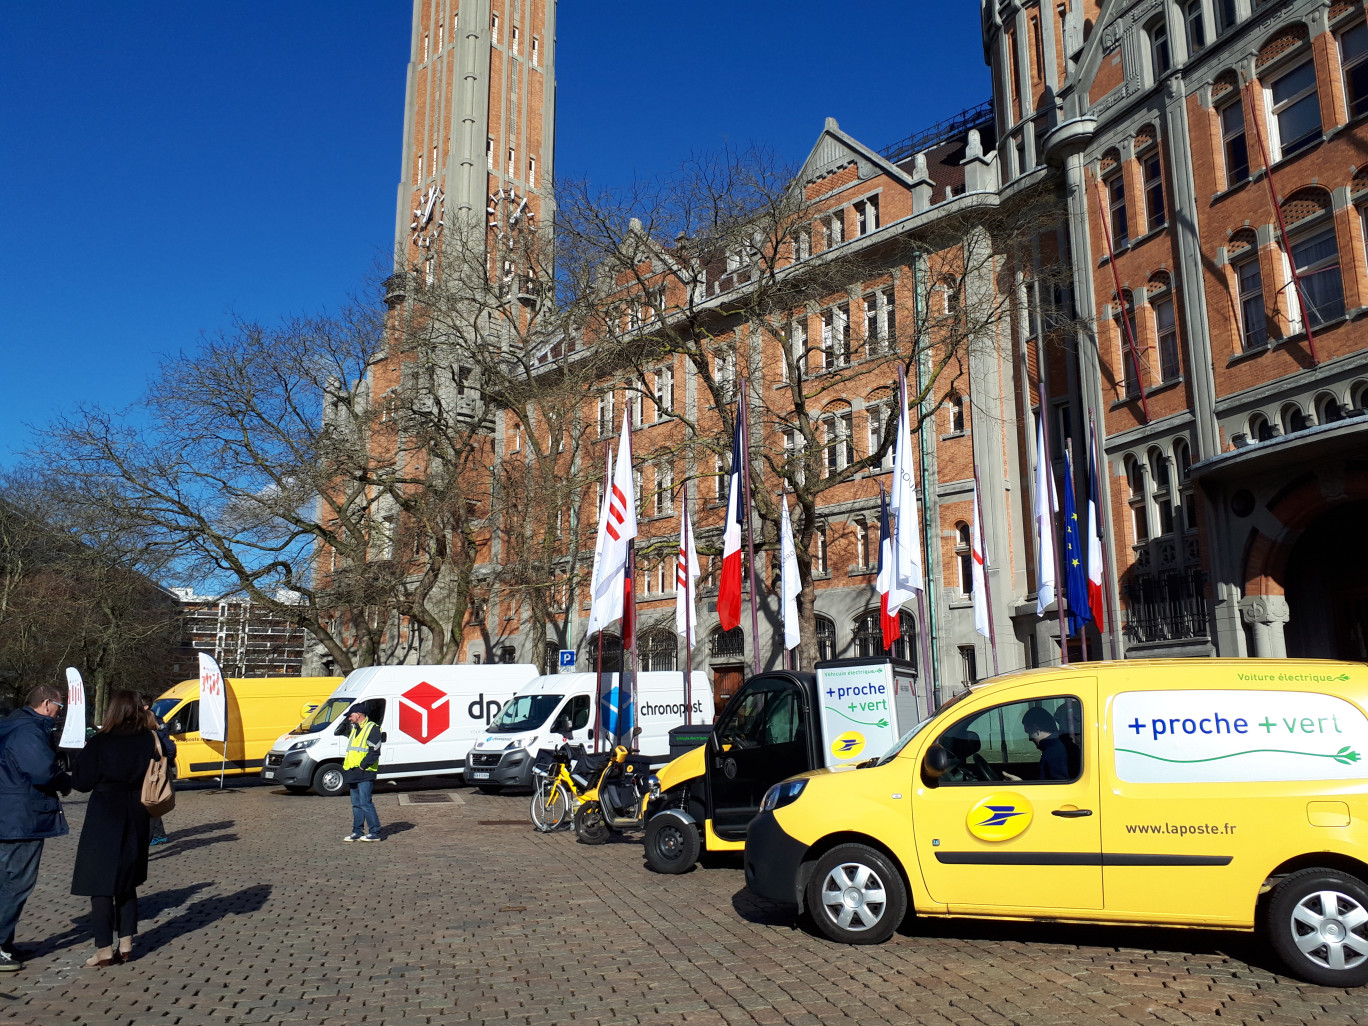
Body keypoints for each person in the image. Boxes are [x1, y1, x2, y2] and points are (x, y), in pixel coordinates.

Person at [71, 689, 157, 967]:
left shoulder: (101, 742)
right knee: (127, 881)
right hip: (137, 811)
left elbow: (82, 782)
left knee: (100, 883)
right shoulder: (147, 740)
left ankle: (104, 948)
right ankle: (128, 943)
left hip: (105, 813)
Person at [0, 684, 70, 973]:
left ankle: (5, 942)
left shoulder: (10, 726)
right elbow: (42, 771)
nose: (58, 713)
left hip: (10, 814)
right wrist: (64, 781)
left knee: (7, 880)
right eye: (59, 707)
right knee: (17, 882)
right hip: (21, 818)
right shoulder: (28, 731)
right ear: (45, 704)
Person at [342, 704, 382, 843]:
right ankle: (357, 831)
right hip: (353, 771)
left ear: (359, 714)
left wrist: (363, 766)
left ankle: (375, 831)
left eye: (350, 715)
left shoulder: (372, 728)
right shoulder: (355, 729)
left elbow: (374, 751)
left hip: (365, 771)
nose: (348, 718)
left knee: (365, 803)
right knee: (356, 804)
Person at [141, 701, 176, 848]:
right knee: (152, 802)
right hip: (152, 774)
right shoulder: (154, 730)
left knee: (151, 802)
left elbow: (169, 750)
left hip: (152, 775)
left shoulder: (153, 732)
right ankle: (158, 834)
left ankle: (155, 836)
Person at [1021, 706, 1072, 781]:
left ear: (1036, 729)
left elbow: (1057, 788)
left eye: (1029, 733)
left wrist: (1021, 784)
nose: (1029, 739)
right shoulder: (1059, 745)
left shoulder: (1054, 752)